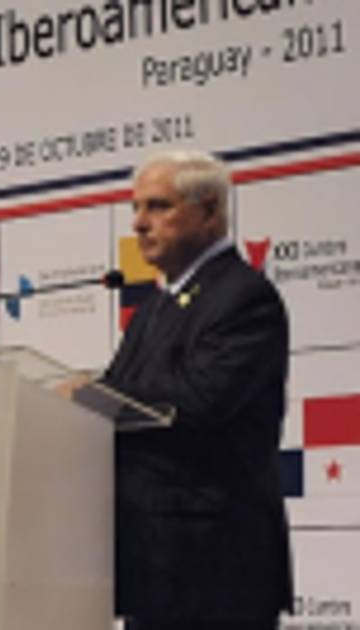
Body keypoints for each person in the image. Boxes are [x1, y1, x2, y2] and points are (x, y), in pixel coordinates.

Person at [103, 151, 293, 629]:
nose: (139, 223)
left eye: (158, 206)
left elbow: (201, 399)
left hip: (218, 570)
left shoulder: (244, 296)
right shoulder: (154, 307)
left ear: (209, 211)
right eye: (136, 208)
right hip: (153, 566)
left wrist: (101, 393)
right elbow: (123, 396)